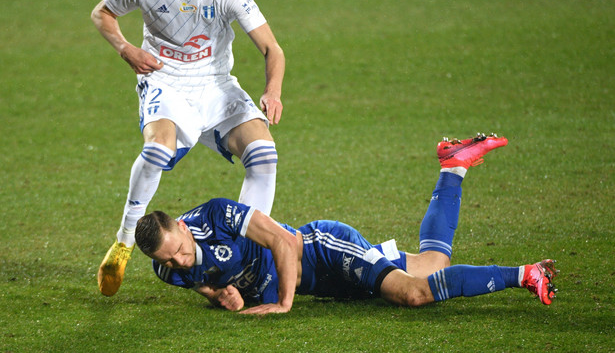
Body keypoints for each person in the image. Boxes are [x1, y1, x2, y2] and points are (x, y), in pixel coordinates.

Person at [135, 134, 559, 314]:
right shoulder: (167, 266)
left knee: (413, 295)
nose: (178, 262)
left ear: (183, 228)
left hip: (323, 249)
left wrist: (284, 304)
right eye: (167, 260)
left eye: (178, 251)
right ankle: (453, 166)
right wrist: (219, 296)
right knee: (434, 266)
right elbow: (200, 281)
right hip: (324, 284)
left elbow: (283, 241)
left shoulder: (214, 215)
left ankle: (526, 274)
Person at [92, 0, 285, 297]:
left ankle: (241, 256)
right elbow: (103, 13)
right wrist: (126, 49)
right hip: (165, 81)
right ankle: (124, 241)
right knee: (157, 149)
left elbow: (271, 47)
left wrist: (273, 90)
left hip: (215, 86)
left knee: (264, 154)